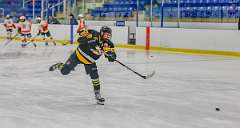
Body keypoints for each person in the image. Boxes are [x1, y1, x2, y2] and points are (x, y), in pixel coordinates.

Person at [49, 26, 117, 105]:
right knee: (64, 71)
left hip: (90, 61)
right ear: (101, 33)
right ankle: (59, 65)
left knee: (95, 77)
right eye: (106, 34)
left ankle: (97, 95)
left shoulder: (109, 44)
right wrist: (84, 38)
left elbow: (112, 55)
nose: (107, 36)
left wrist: (112, 56)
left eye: (109, 35)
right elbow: (80, 40)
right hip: (78, 55)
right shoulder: (92, 34)